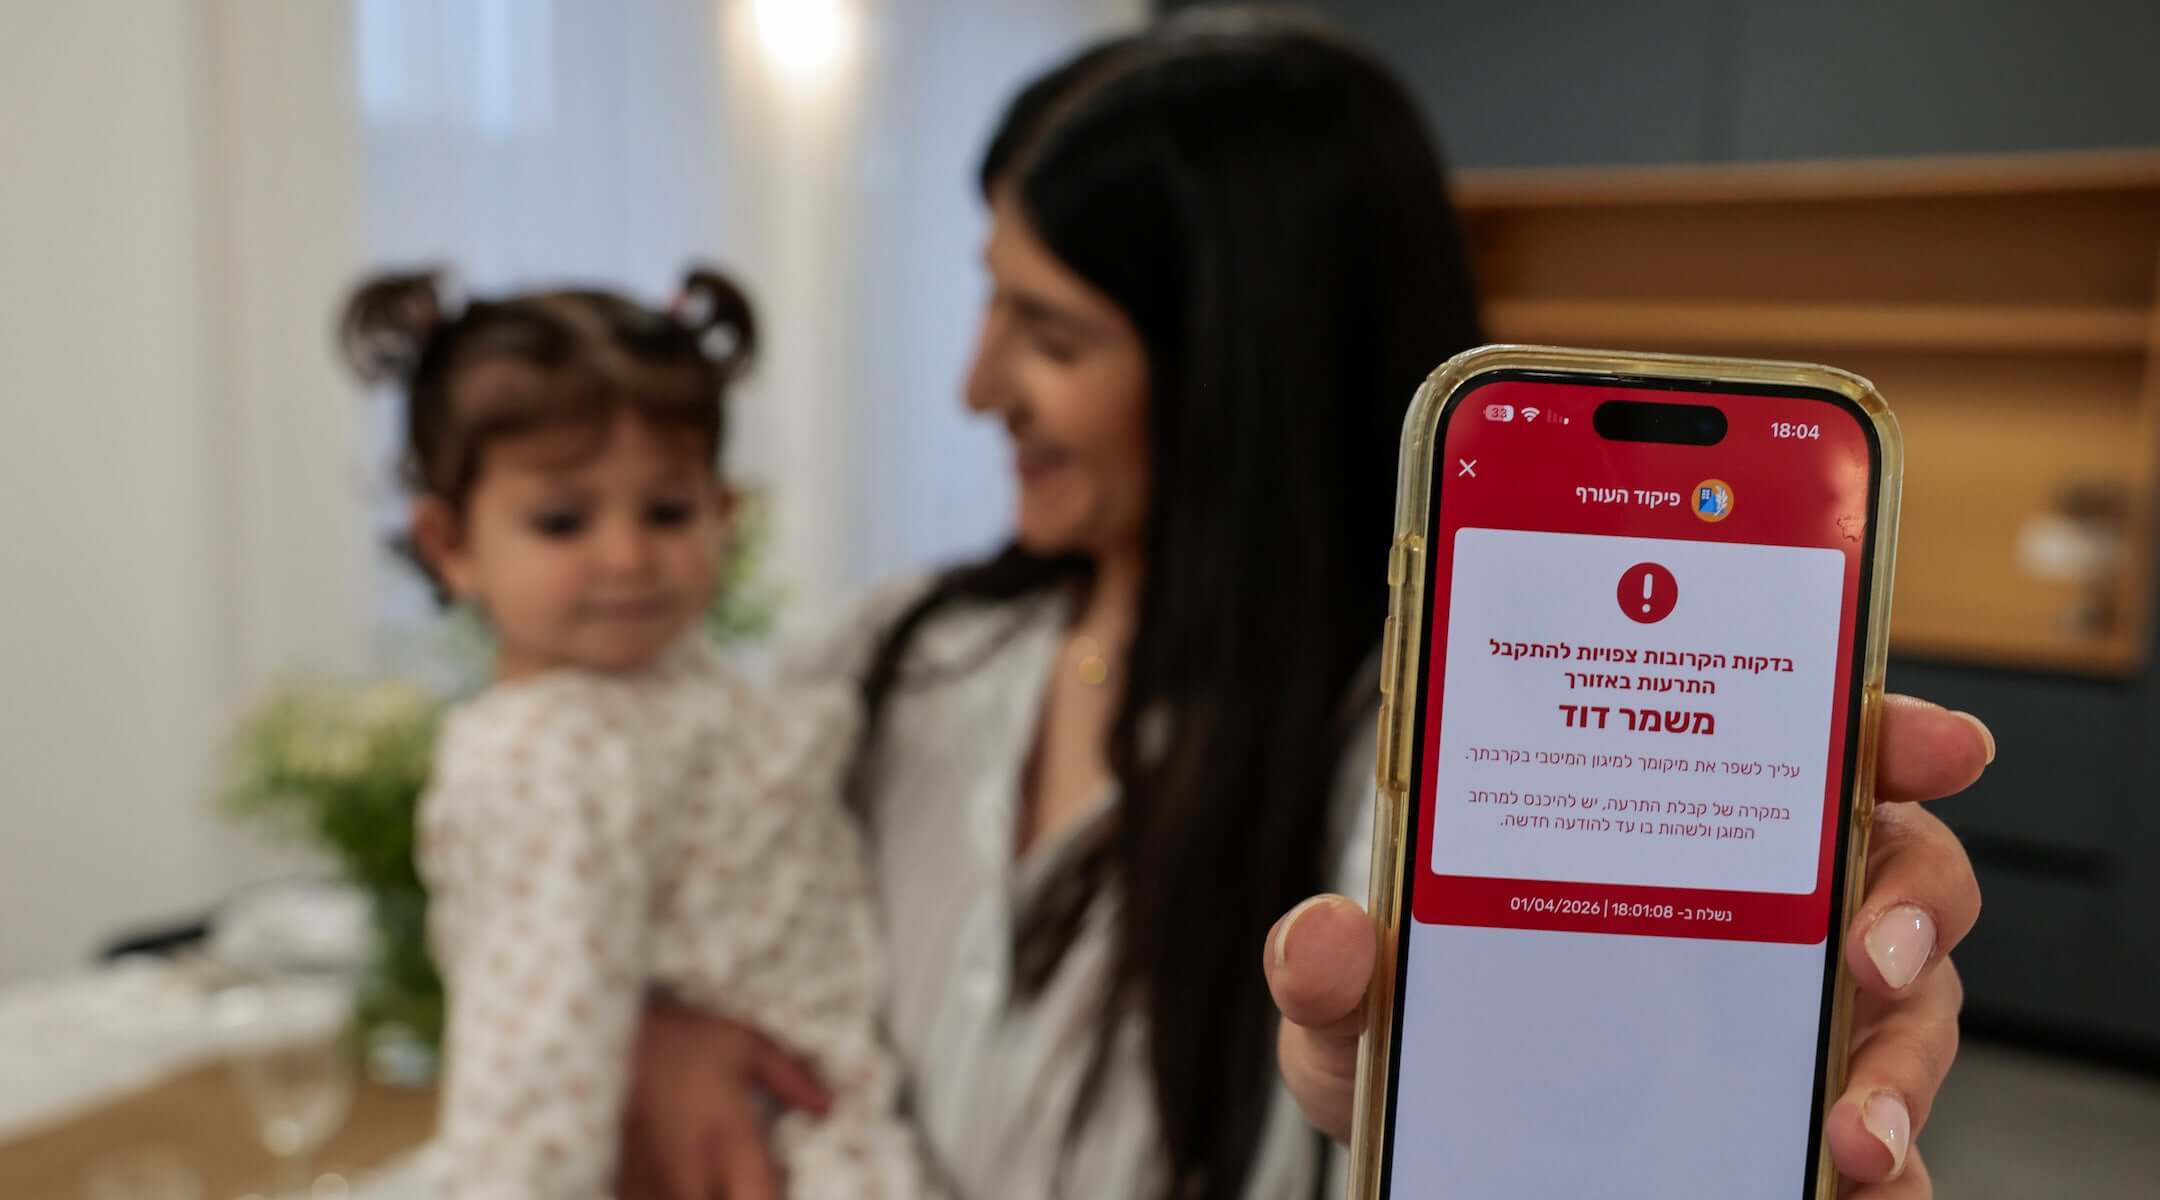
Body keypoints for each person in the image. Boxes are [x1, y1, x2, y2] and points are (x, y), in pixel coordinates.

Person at [619, 11, 1990, 1200]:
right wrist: (660, 1017)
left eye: (1051, 335)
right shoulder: (904, 655)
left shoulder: (1432, 773)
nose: (978, 387)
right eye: (991, 305)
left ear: (1242, 371)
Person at [339, 268, 945, 1199]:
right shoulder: (539, 754)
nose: (626, 556)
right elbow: (536, 1089)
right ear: (449, 544)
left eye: (667, 511)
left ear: (724, 514)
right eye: (563, 519)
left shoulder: (670, 695)